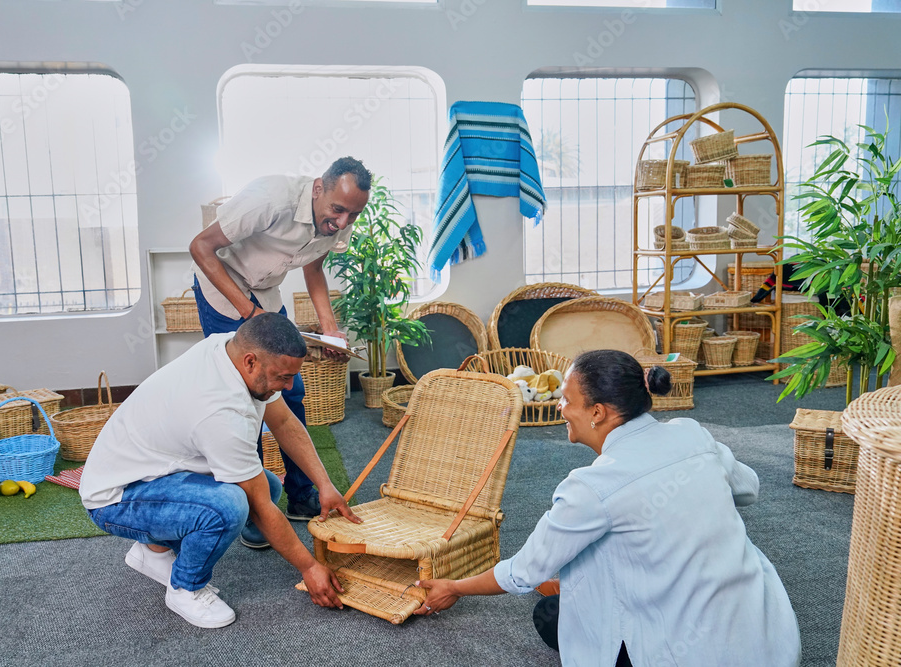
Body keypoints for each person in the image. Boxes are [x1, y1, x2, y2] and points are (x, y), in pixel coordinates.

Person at [414, 349, 801, 667]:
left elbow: (523, 572)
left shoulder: (591, 488)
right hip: (769, 639)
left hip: (684, 654)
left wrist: (454, 587)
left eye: (567, 399)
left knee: (550, 614)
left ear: (598, 412)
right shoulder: (692, 433)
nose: (560, 407)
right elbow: (748, 489)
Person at [80, 313, 361, 629]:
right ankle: (185, 588)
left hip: (150, 474)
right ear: (251, 362)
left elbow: (282, 421)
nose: (290, 385)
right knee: (231, 506)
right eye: (284, 377)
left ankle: (154, 552)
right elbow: (258, 506)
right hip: (115, 499)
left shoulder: (230, 349)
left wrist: (324, 484)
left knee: (266, 486)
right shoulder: (219, 411)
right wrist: (309, 567)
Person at [189, 157, 371, 541]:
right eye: (337, 210)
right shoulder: (270, 199)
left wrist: (330, 330)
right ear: (319, 188)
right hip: (223, 290)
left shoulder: (340, 221)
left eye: (352, 215)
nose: (342, 223)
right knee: (248, 397)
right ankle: (256, 507)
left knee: (292, 389)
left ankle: (301, 496)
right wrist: (246, 311)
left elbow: (314, 270)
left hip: (265, 293)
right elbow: (201, 247)